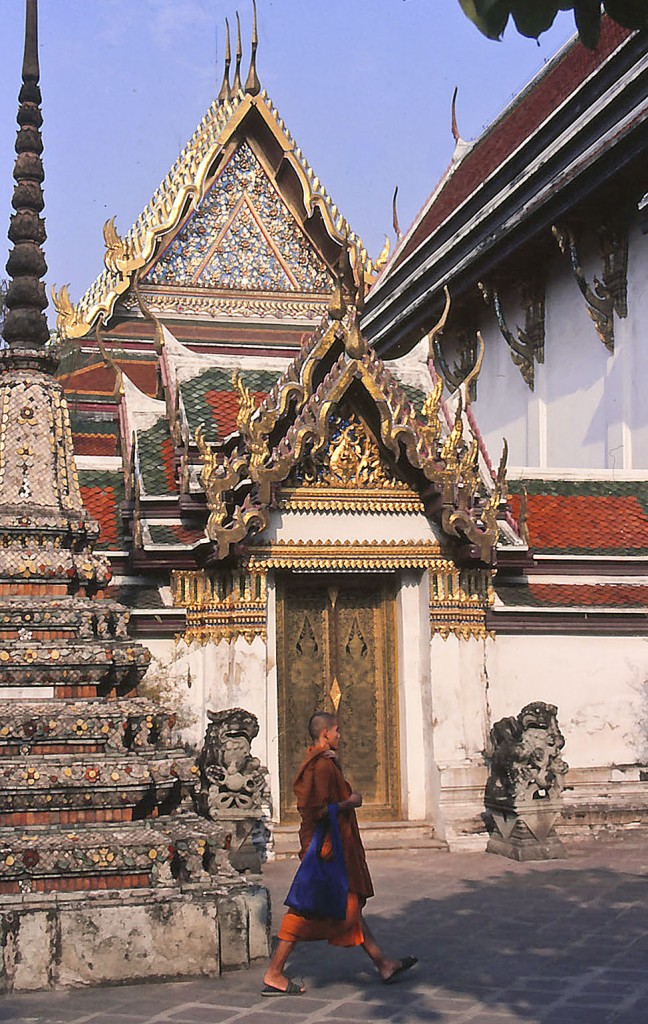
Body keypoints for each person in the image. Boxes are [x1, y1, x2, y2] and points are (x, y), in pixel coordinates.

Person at [262, 711, 417, 996]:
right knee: (304, 910)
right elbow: (318, 810)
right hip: (326, 850)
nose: (340, 736)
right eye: (337, 731)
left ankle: (383, 963)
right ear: (325, 735)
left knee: (349, 905)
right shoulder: (320, 767)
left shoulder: (326, 763)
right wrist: (350, 803)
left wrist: (341, 780)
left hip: (333, 846)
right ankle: (274, 972)